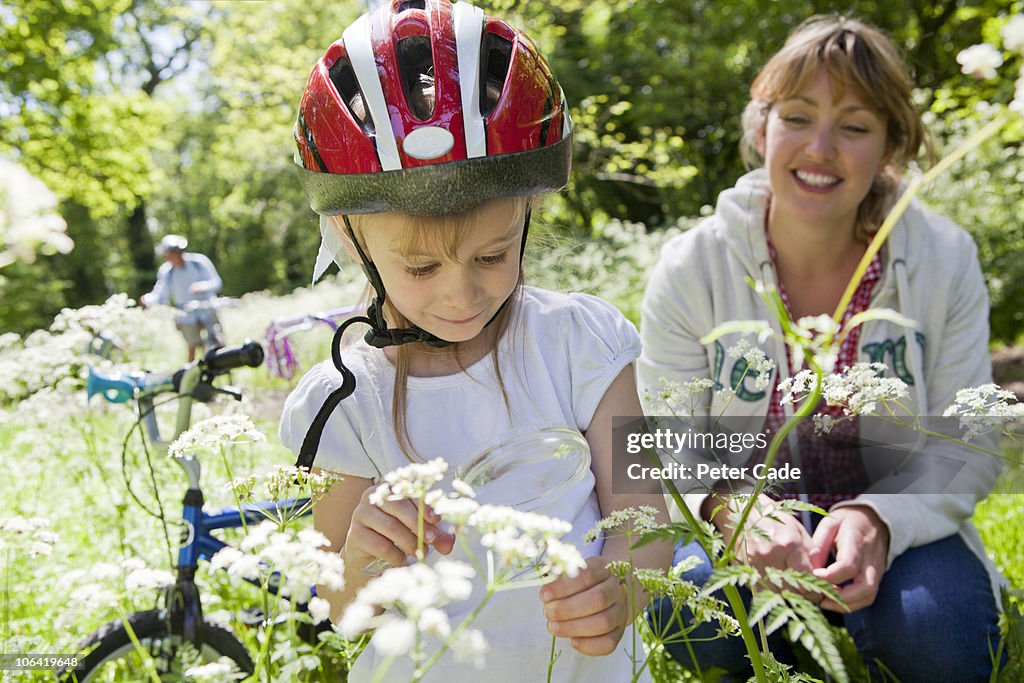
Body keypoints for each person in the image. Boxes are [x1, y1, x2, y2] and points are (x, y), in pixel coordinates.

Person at [278, 2, 671, 681]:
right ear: (352, 237)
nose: (460, 294)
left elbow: (647, 518)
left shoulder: (586, 343)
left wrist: (623, 586)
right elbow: (339, 611)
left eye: (492, 255)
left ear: (528, 213)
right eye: (421, 268)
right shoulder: (344, 401)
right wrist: (357, 561)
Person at [638, 15, 1005, 682]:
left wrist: (880, 518)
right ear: (762, 128)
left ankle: (863, 622)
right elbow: (664, 439)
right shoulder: (692, 266)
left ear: (892, 146)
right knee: (690, 620)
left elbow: (965, 439)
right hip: (740, 538)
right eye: (798, 116)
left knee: (941, 637)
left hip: (900, 543)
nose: (820, 148)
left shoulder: (943, 258)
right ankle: (790, 646)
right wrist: (734, 510)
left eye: (856, 127)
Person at [141, 234, 225, 362]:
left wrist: (203, 286)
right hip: (186, 314)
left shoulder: (199, 262)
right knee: (193, 346)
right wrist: (148, 300)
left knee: (218, 342)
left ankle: (226, 371)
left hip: (207, 308)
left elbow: (217, 282)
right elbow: (161, 295)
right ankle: (191, 377)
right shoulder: (167, 272)